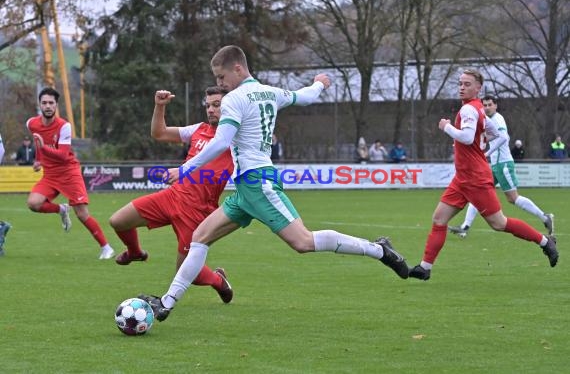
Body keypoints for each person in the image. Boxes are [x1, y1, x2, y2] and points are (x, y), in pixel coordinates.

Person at [139, 45, 409, 321]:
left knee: (303, 242)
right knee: (199, 238)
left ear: (237, 68)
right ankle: (166, 303)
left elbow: (220, 142)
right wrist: (318, 84)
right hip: (246, 189)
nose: (219, 84)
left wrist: (185, 169)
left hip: (258, 183)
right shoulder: (270, 92)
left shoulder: (235, 99)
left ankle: (379, 250)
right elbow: (302, 97)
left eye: (221, 77)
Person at [408, 69, 558, 281]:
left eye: (467, 84)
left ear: (478, 88)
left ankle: (545, 241)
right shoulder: (477, 109)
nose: (462, 87)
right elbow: (496, 135)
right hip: (462, 178)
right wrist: (484, 151)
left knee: (499, 223)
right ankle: (425, 267)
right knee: (439, 219)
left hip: (475, 178)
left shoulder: (470, 110)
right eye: (460, 83)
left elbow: (468, 138)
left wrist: (447, 127)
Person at [108, 86, 234, 303]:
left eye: (217, 105)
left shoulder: (237, 138)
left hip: (197, 212)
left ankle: (218, 281)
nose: (211, 110)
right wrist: (159, 106)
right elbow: (159, 133)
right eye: (208, 106)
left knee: (185, 274)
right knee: (118, 221)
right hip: (172, 196)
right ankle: (135, 252)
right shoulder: (199, 129)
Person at [448, 95, 554, 238]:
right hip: (494, 165)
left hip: (504, 164)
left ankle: (544, 217)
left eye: (489, 105)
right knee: (478, 192)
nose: (486, 107)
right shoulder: (487, 120)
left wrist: (487, 153)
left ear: (495, 105)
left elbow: (503, 138)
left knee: (513, 198)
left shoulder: (498, 119)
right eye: (484, 105)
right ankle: (465, 227)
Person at [26, 87, 114, 259]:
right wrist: (38, 159)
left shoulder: (64, 126)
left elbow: (63, 155)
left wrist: (44, 148)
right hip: (50, 175)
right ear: (39, 105)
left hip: (69, 173)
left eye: (51, 103)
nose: (48, 106)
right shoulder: (31, 123)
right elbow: (37, 142)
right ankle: (61, 209)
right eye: (44, 103)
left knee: (82, 214)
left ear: (56, 105)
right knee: (33, 203)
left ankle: (106, 247)